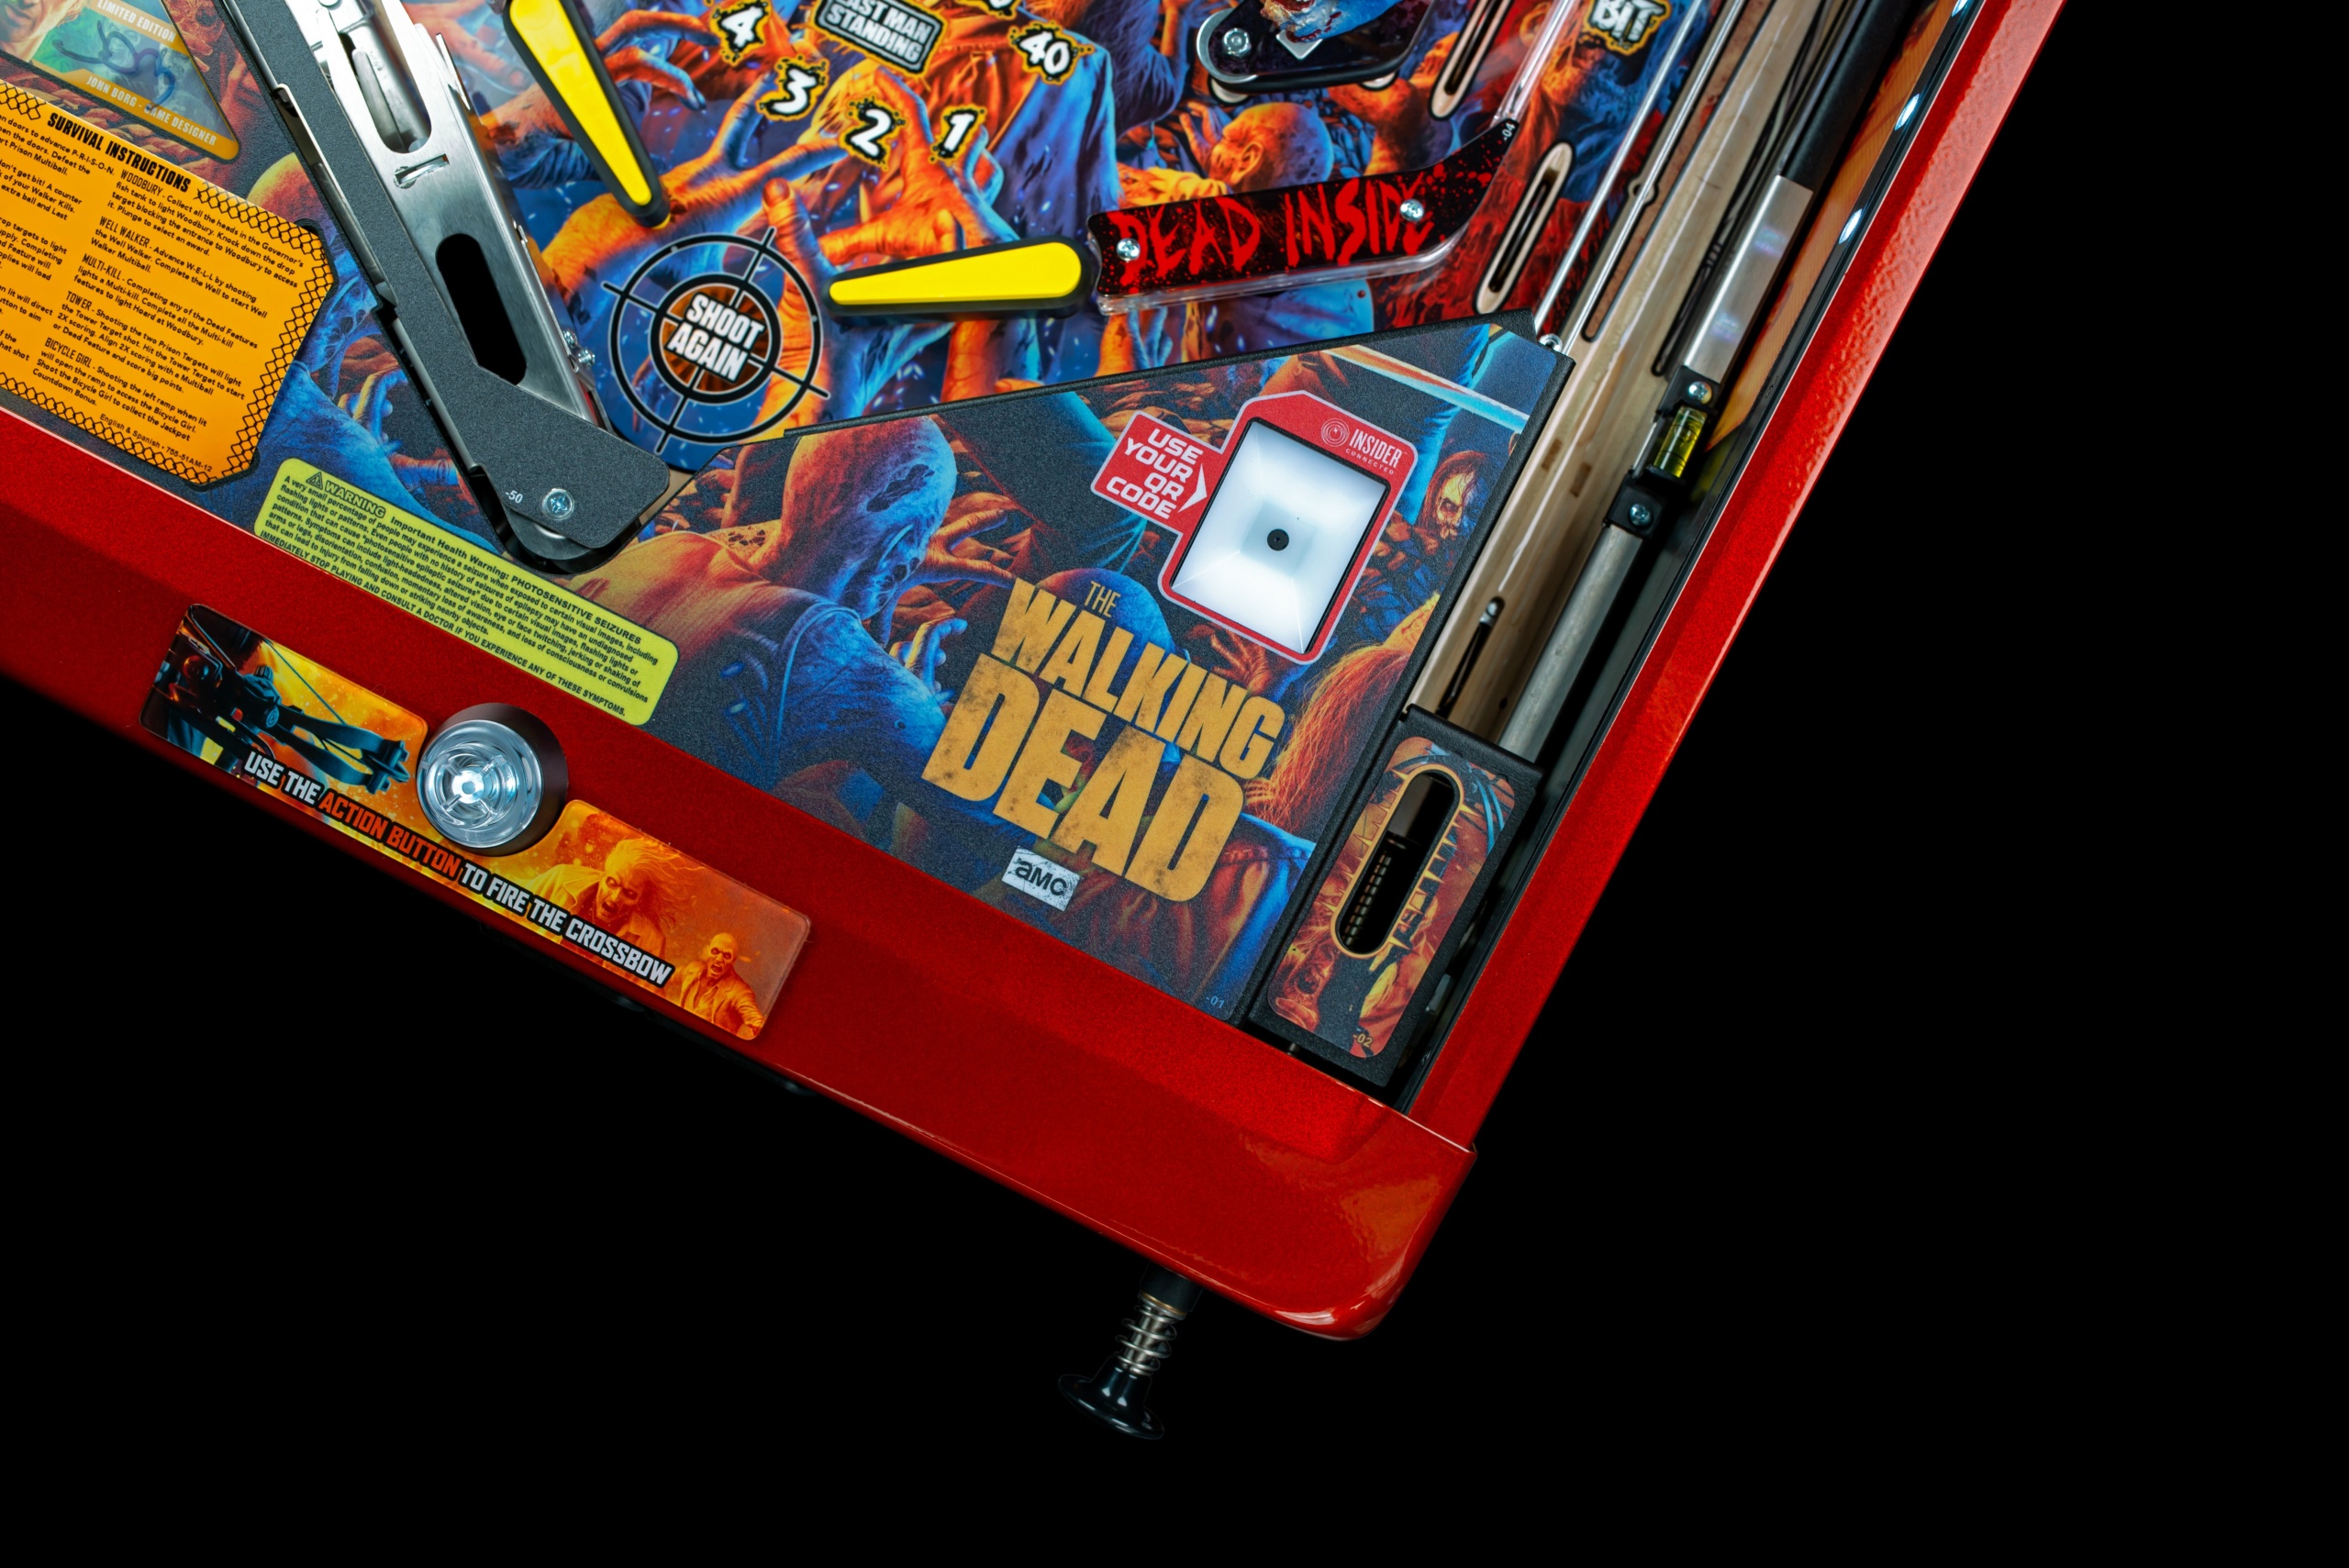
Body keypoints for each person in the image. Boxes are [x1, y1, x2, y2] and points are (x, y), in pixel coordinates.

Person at [529, 837, 687, 957]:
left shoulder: (651, 939)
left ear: (641, 899)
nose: (615, 897)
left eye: (630, 893)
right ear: (603, 874)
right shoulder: (561, 879)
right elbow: (513, 906)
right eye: (612, 883)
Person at [676, 932, 766, 1039]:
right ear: (707, 951)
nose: (719, 959)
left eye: (727, 956)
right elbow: (666, 974)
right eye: (715, 951)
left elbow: (757, 1022)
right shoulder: (692, 970)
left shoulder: (739, 991)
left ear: (733, 961)